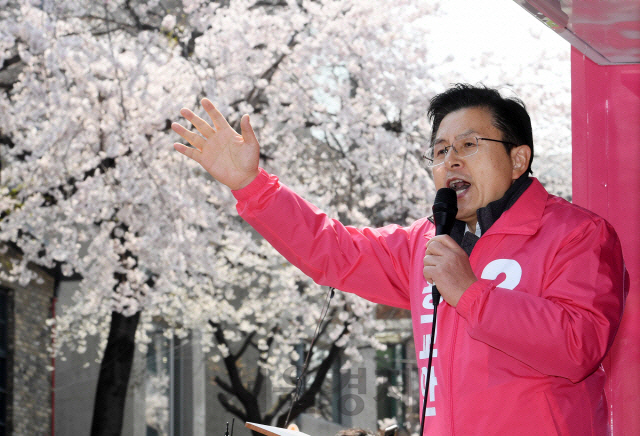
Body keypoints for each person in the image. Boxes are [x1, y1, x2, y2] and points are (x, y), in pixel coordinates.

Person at [172, 84, 628, 435]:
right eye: (440, 150)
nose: (451, 161)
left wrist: (471, 293)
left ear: (518, 158)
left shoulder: (577, 234)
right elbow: (334, 252)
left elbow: (579, 347)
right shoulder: (423, 242)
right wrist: (252, 186)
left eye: (469, 145)